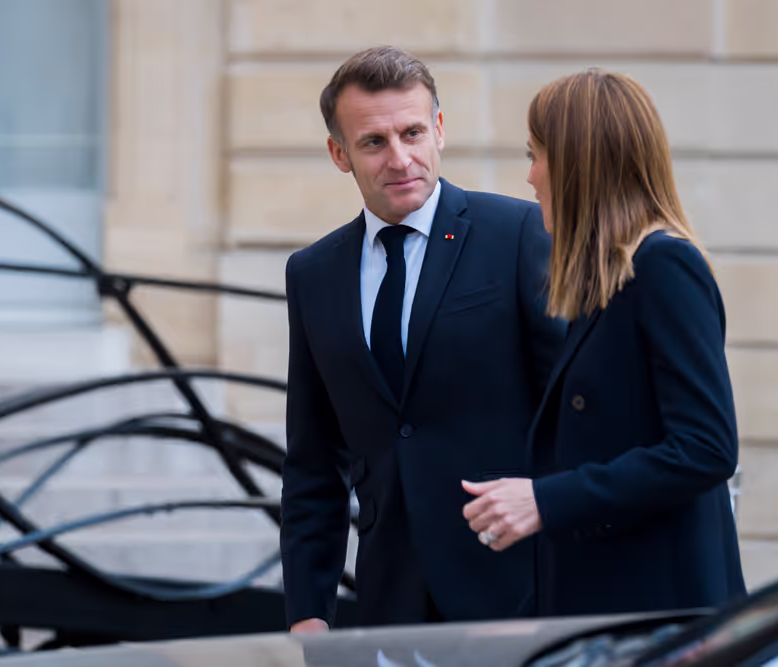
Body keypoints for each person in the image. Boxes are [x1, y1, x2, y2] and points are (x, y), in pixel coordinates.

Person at [280, 46, 566, 630]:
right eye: (373, 142)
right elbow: (313, 461)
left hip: (520, 590)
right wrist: (308, 612)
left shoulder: (518, 233)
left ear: (439, 128)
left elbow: (572, 408)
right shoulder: (312, 273)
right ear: (340, 154)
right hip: (390, 601)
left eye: (412, 132)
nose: (400, 158)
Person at [462, 69, 747, 615]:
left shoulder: (665, 266)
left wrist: (546, 500)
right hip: (611, 605)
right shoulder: (611, 281)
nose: (531, 177)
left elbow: (707, 448)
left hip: (658, 612)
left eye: (536, 156)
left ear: (578, 164)